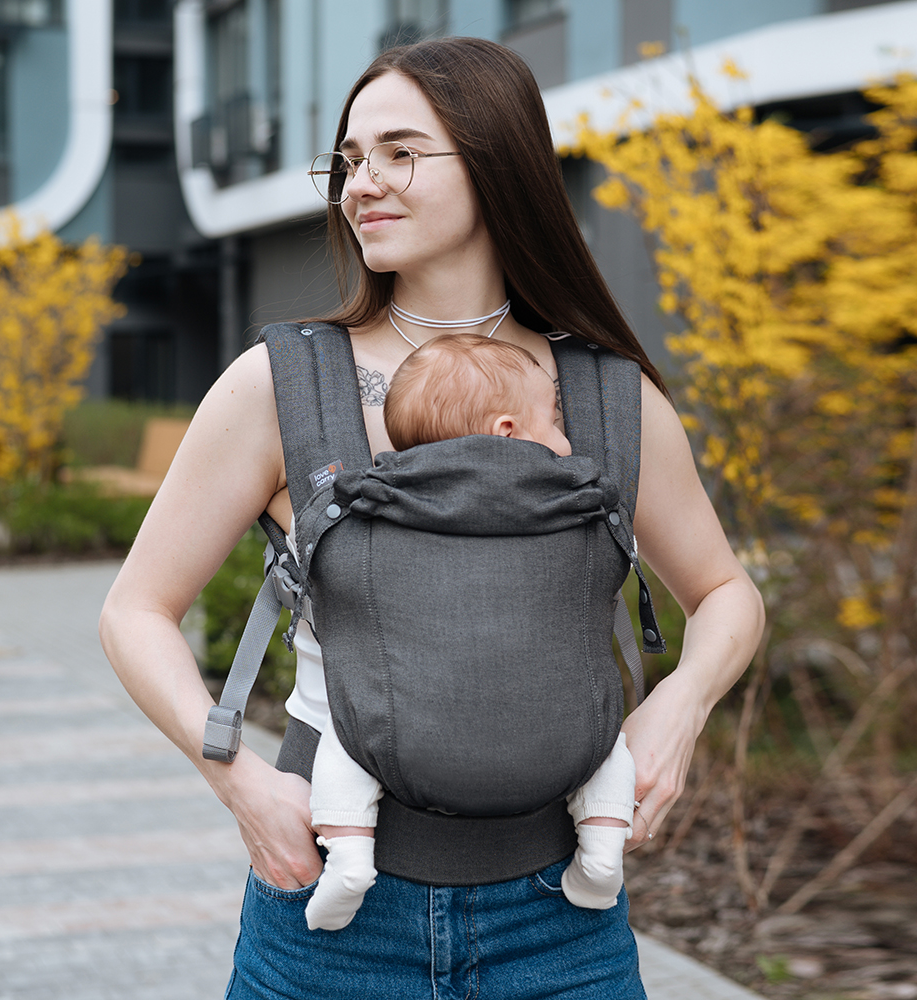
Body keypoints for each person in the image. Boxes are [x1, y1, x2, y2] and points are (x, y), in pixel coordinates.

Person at [100, 35, 764, 1000]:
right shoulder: (281, 384)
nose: (362, 182)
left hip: (562, 921)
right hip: (329, 912)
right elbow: (135, 609)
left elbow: (725, 591)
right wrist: (237, 779)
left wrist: (682, 706)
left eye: (400, 153)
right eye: (350, 160)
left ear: (499, 162)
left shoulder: (606, 395)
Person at [305, 334, 637, 931]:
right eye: (555, 421)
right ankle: (603, 851)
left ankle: (349, 858)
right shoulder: (574, 500)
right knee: (607, 745)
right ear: (508, 429)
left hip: (397, 746)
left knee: (344, 736)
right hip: (557, 747)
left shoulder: (382, 500)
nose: (564, 439)